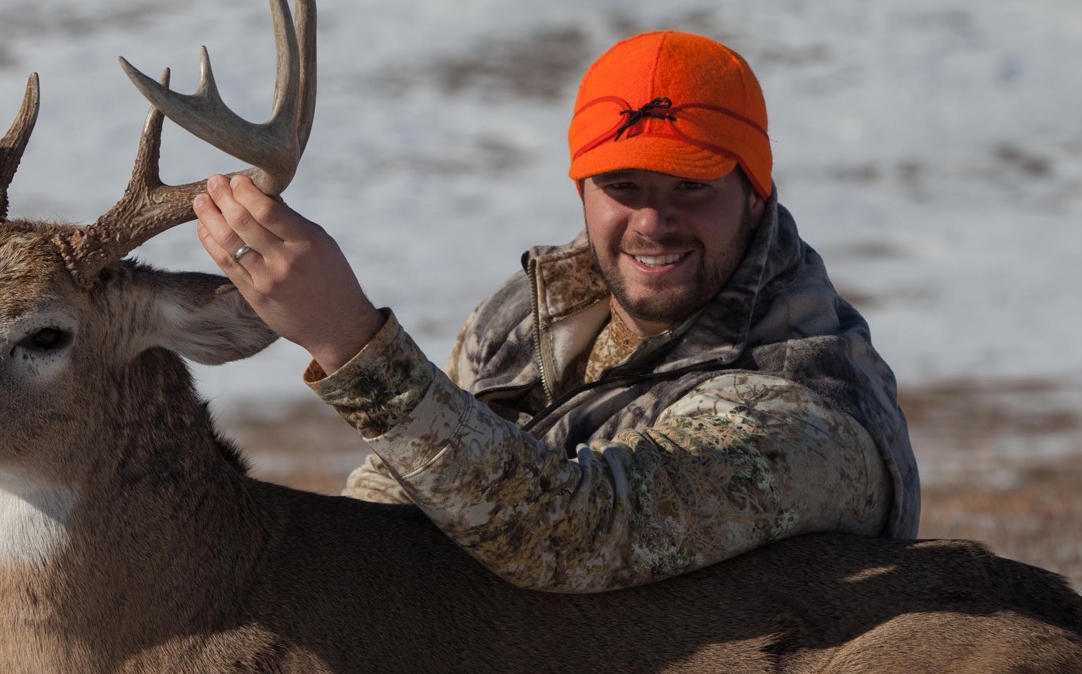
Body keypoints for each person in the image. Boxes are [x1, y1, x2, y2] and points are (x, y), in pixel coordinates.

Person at [191, 30, 920, 592]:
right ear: (583, 193)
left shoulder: (811, 411)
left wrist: (350, 339)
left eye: (691, 187)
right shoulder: (521, 323)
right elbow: (389, 518)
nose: (652, 220)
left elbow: (577, 532)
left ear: (755, 193)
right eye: (623, 185)